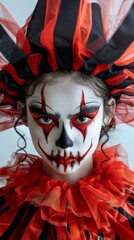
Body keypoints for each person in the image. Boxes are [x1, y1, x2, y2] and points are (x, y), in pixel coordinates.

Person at [0, 0, 134, 239]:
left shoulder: (129, 211)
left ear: (109, 112)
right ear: (23, 112)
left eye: (82, 117)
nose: (65, 141)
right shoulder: (5, 214)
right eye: (45, 118)